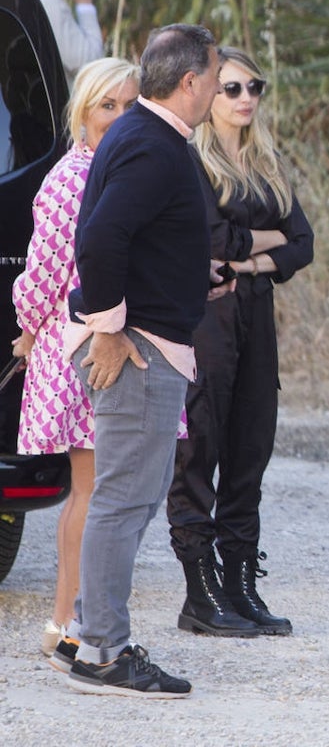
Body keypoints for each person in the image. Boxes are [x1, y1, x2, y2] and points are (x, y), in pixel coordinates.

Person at [55, 23, 221, 698]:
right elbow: (98, 239)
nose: (215, 87)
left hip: (147, 339)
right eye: (214, 76)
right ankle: (101, 650)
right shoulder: (152, 144)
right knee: (125, 500)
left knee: (123, 498)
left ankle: (94, 637)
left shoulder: (142, 134)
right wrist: (110, 328)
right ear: (189, 81)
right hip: (138, 349)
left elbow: (129, 235)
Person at [166, 47, 313, 638]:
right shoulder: (190, 160)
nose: (246, 98)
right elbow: (209, 236)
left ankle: (239, 583)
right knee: (200, 449)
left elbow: (300, 244)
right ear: (208, 94)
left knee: (251, 448)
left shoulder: (266, 162)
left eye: (255, 86)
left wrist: (247, 261)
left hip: (254, 313)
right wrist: (260, 242)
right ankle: (198, 593)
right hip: (207, 318)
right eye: (231, 88)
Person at [10, 57, 139, 660]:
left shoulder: (116, 171)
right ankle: (66, 624)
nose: (117, 117)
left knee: (94, 492)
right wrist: (31, 330)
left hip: (95, 344)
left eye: (128, 105)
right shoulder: (74, 177)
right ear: (81, 112)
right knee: (91, 493)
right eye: (105, 105)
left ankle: (69, 620)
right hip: (80, 350)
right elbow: (42, 277)